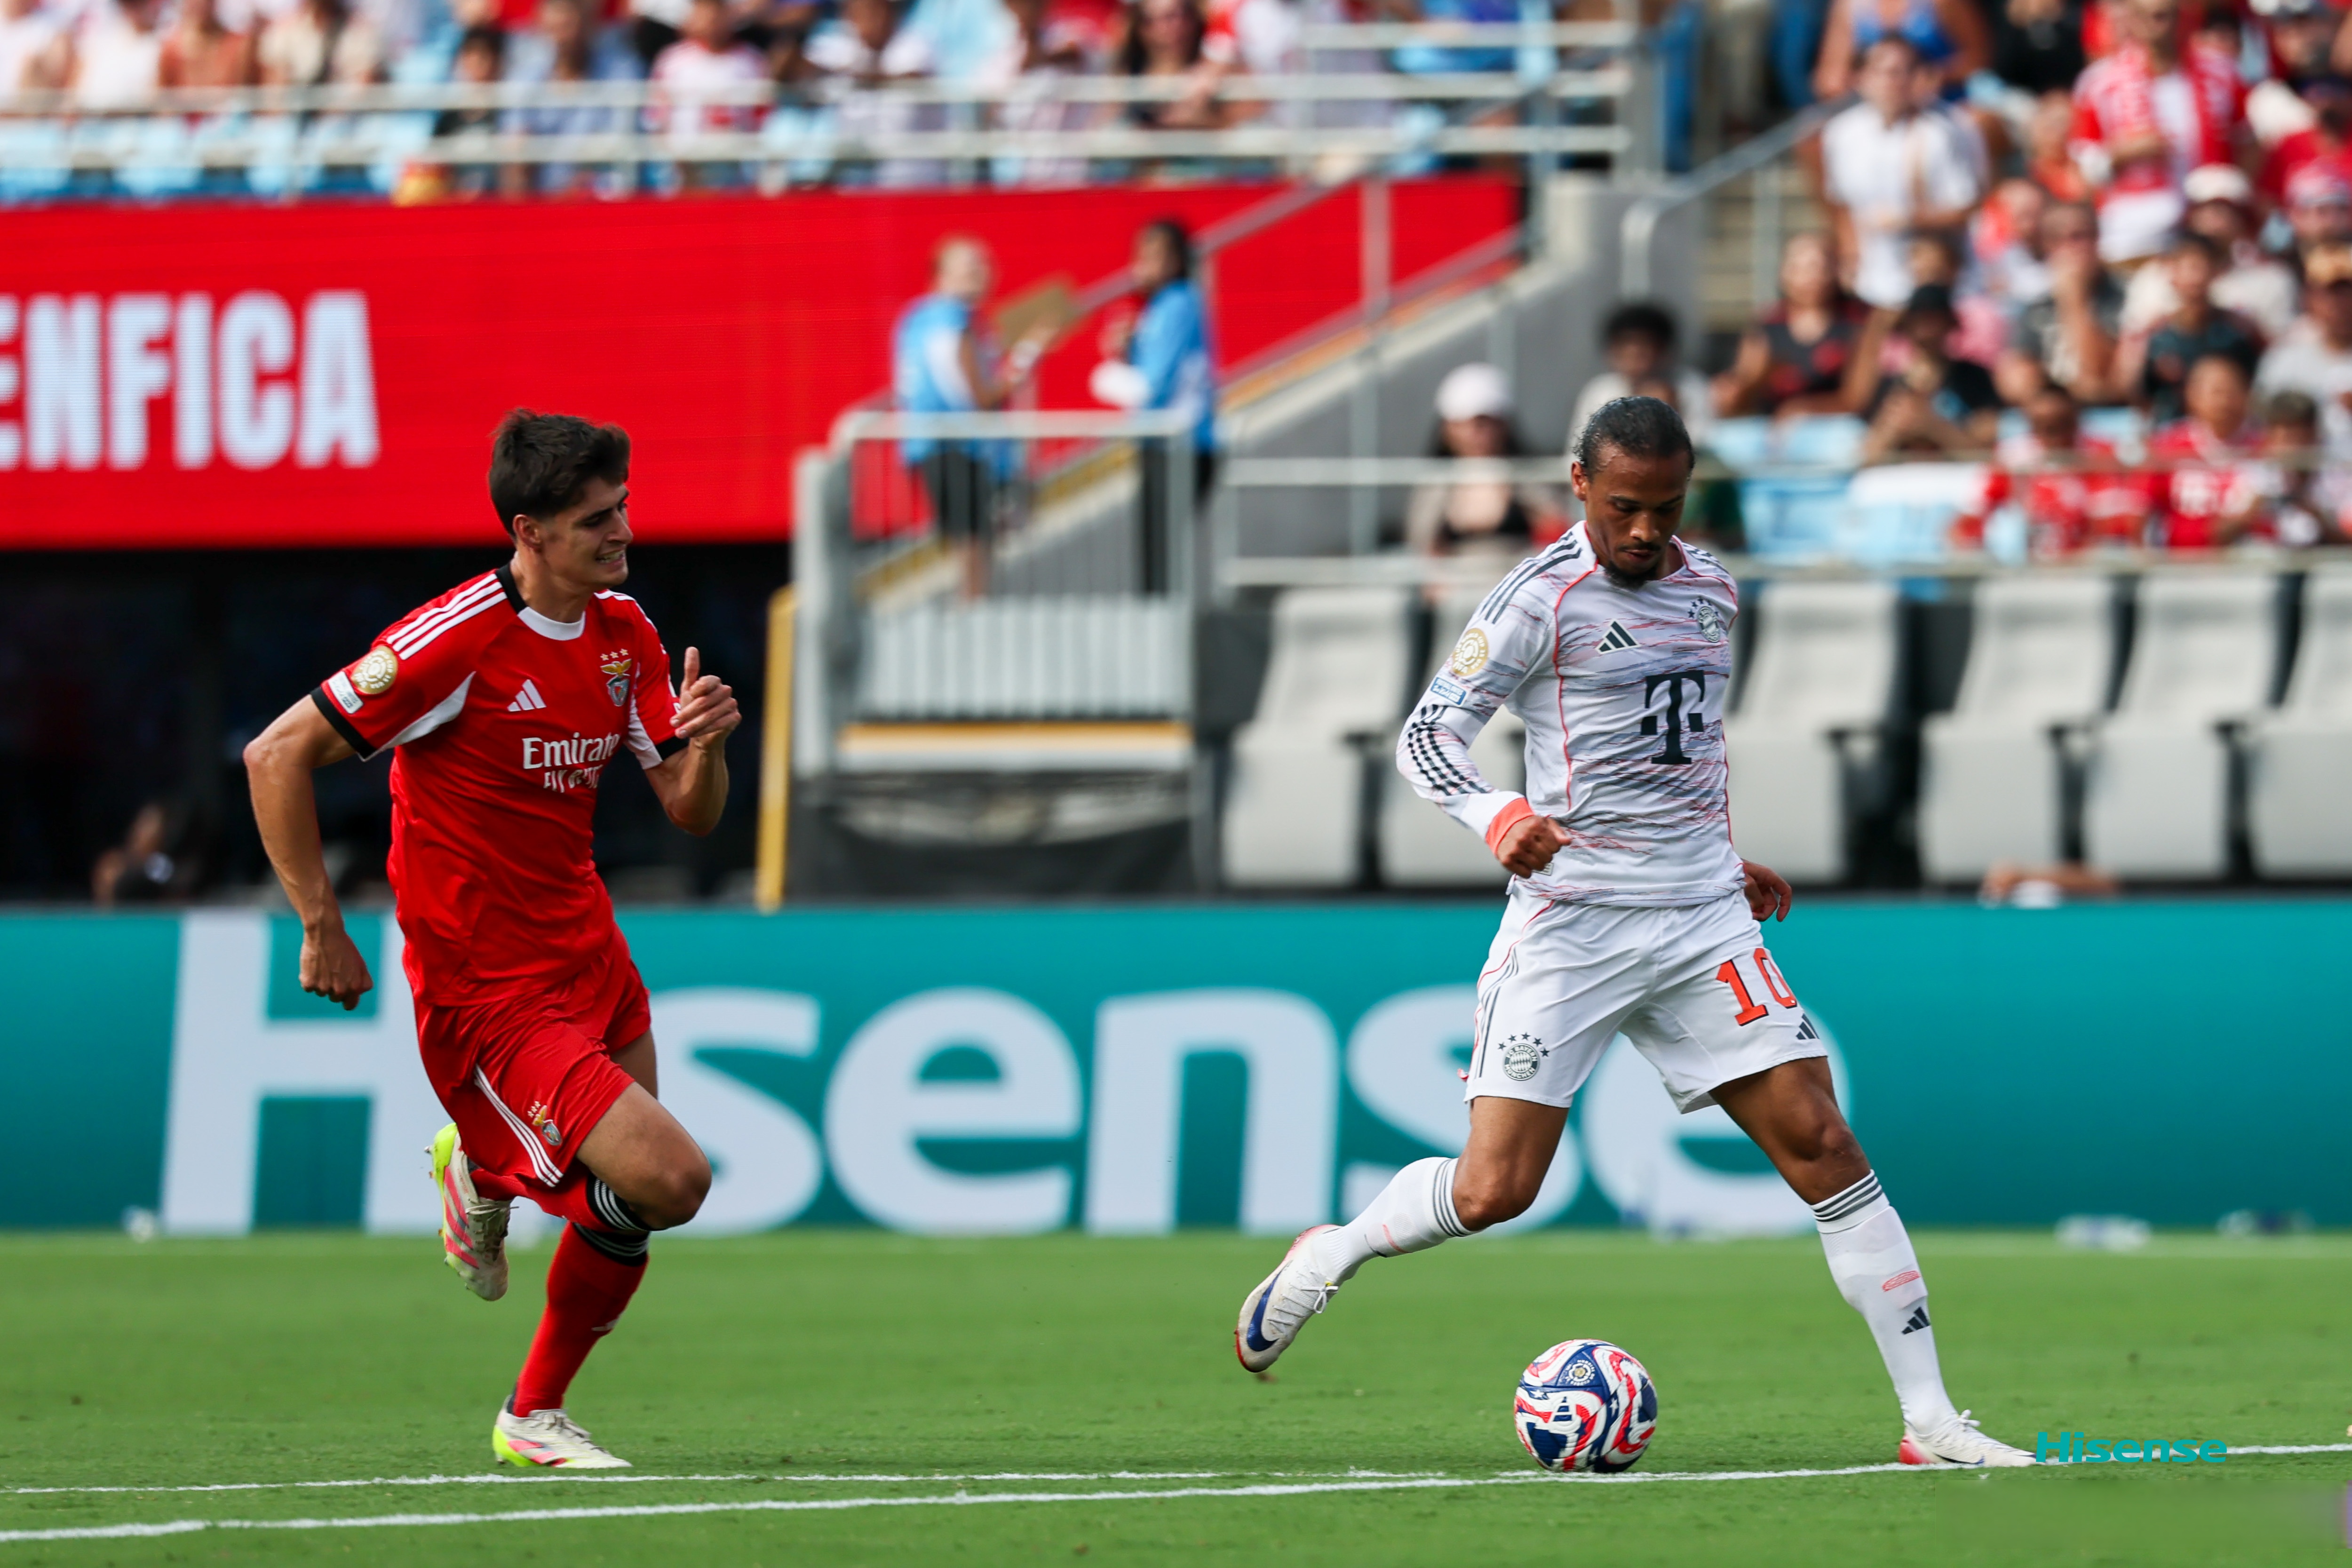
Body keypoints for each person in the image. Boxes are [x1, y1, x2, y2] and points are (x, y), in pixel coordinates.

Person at [1239, 394, 2033, 1472]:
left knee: (1826, 1145)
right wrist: (1500, 814)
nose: (1647, 531)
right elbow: (1427, 740)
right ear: (1579, 486)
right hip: (1573, 925)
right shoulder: (1536, 600)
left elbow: (1684, 753)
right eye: (1625, 508)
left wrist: (1720, 858)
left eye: (1665, 508)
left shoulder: (1712, 590)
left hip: (1701, 918)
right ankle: (1334, 1249)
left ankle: (1931, 1421)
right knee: (1493, 1191)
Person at [242, 411, 738, 1471]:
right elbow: (274, 755)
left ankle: (532, 1405)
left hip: (591, 956)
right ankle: (486, 1184)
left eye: (623, 506)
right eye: (597, 518)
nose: (622, 531)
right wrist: (321, 926)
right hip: (489, 987)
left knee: (634, 1208)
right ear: (530, 530)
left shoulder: (624, 634)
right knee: (673, 1177)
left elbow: (689, 809)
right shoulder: (452, 640)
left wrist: (705, 744)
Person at [894, 237, 1048, 599]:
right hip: (958, 444)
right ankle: (972, 615)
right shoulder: (953, 322)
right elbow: (977, 395)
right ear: (944, 275)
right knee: (976, 538)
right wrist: (1022, 366)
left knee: (967, 535)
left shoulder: (916, 319)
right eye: (973, 268)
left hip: (927, 442)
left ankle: (969, 610)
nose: (984, 275)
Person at [2066, 0, 2244, 266]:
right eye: (2146, 16)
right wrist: (2121, 154)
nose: (2157, 26)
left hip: (2208, 228)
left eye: (2164, 16)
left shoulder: (2221, 73)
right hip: (2136, 232)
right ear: (2131, 20)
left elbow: (2248, 142)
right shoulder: (2100, 83)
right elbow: (2081, 172)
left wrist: (2231, 198)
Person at [1091, 218, 1216, 594]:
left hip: (1182, 446)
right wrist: (1130, 349)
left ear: (1177, 261)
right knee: (1153, 551)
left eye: (1155, 257)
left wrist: (1106, 377)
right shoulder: (1161, 308)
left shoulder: (1179, 303)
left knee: (1159, 552)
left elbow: (1155, 387)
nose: (1144, 266)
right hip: (1162, 445)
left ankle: (1163, 634)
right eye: (1141, 257)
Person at [1820, 36, 1987, 310]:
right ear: (1861, 78)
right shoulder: (1839, 134)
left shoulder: (1943, 131)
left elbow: (1966, 209)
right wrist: (1851, 258)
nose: (1891, 82)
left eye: (1901, 72)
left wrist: (1907, 219)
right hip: (1871, 286)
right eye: (1881, 72)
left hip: (1939, 288)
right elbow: (1841, 204)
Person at [1405, 364, 1565, 595]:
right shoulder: (1435, 486)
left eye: (1484, 423)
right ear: (1447, 429)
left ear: (1504, 425)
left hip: (1519, 589)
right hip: (1456, 594)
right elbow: (1423, 543)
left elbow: (1554, 532)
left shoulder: (1530, 479)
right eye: (1464, 424)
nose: (1475, 433)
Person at [1952, 381, 2145, 554]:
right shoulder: (2011, 459)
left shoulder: (2102, 457)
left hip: (2087, 571)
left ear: (2076, 419)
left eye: (2061, 424)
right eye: (2043, 426)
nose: (2052, 434)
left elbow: (2121, 528)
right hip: (2027, 570)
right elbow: (1965, 524)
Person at [1713, 232, 1872, 418]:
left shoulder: (1856, 323)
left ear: (1834, 270)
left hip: (1831, 425)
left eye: (1816, 266)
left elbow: (1857, 397)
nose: (1810, 277)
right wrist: (1734, 391)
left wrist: (1804, 410)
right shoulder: (1768, 324)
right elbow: (1745, 384)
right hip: (1770, 426)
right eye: (1798, 268)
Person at [2119, 232, 2264, 426]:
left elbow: (2252, 387)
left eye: (2201, 267)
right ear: (2171, 273)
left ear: (2216, 272)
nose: (2195, 278)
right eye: (2187, 268)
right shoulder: (2158, 336)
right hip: (2170, 434)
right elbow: (2139, 395)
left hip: (2226, 433)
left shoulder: (2235, 333)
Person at [1853, 284, 2005, 460]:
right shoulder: (1890, 385)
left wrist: (1933, 426)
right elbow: (1867, 456)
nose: (1926, 327)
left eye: (1934, 318)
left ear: (1949, 323)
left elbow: (1984, 452)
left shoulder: (1974, 378)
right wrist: (1894, 428)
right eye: (1919, 319)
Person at [1997, 199, 2124, 406]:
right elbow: (2015, 381)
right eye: (2057, 239)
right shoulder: (2038, 308)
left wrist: (2074, 300)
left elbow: (2102, 372)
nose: (2070, 248)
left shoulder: (2124, 297)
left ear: (2097, 238)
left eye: (2079, 236)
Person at [803, 0, 942, 186]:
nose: (870, 20)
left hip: (913, 182)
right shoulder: (837, 44)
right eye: (859, 12)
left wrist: (856, 76)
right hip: (856, 182)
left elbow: (915, 76)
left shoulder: (916, 43)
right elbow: (794, 71)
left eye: (875, 11)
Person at [2142, 353, 2260, 549]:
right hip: (2182, 564)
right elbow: (2145, 508)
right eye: (2217, 392)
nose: (2225, 402)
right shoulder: (2167, 446)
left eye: (2232, 392)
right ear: (2192, 396)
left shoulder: (2264, 446)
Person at [1570, 301, 1714, 452]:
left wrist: (1669, 418)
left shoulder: (1690, 385)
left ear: (1664, 351)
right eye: (1626, 353)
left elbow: (1705, 443)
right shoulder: (1600, 391)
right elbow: (1578, 452)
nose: (1635, 363)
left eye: (1643, 352)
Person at [2256, 239, 2352, 459]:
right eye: (2329, 293)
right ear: (2310, 298)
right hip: (2302, 480)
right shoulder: (2285, 359)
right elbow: (2264, 426)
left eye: (2347, 292)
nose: (2340, 303)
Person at [2220, 389, 2352, 546]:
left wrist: (2315, 514)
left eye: (2300, 438)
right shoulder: (2254, 473)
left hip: (2324, 561)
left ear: (2315, 435)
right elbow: (2220, 536)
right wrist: (2255, 507)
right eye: (2286, 439)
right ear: (2270, 438)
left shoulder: (2338, 473)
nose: (2293, 448)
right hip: (2265, 562)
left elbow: (2347, 542)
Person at [1812, 0, 1987, 99]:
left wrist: (1936, 77)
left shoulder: (1943, 3)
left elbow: (1980, 57)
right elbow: (1829, 76)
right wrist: (1858, 84)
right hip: (1875, 109)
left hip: (1945, 102)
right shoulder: (1849, 6)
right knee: (1812, 141)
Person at [258, 0, 387, 86]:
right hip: (297, 121)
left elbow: (361, 93)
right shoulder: (283, 32)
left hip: (347, 122)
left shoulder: (362, 32)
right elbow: (276, 96)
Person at [67, 0, 167, 107]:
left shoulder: (159, 45)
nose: (133, 11)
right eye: (129, 5)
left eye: (139, 5)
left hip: (132, 119)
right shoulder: (99, 43)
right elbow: (74, 94)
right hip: (89, 117)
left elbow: (153, 98)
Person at [158, 0, 256, 86]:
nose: (200, 3)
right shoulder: (170, 50)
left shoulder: (240, 45)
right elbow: (164, 99)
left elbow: (245, 96)